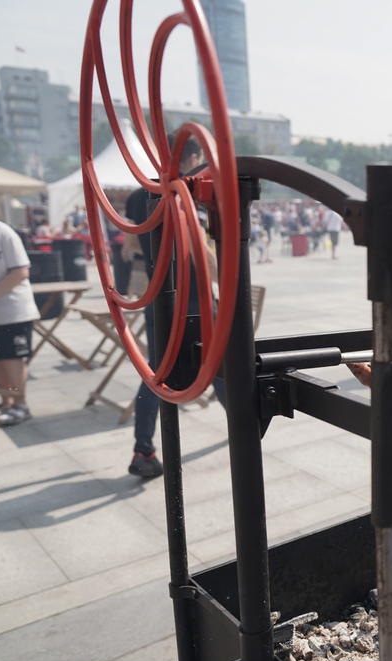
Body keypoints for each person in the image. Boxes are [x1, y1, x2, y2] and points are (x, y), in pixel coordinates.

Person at [124, 131, 226, 478]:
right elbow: (204, 255)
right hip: (195, 298)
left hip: (159, 297)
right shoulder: (186, 193)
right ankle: (244, 423)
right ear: (192, 158)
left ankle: (143, 448)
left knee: (158, 371)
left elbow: (132, 247)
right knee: (219, 362)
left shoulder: (140, 196)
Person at [0, 189, 41, 427]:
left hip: (13, 309)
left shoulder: (4, 234)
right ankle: (5, 403)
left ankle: (20, 404)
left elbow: (20, 272)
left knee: (12, 359)